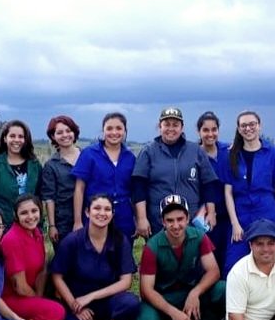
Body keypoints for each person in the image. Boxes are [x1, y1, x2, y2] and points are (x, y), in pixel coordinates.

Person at [51, 194, 141, 320]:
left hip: (108, 301)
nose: (102, 213)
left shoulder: (119, 240)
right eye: (97, 208)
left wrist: (91, 296)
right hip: (78, 304)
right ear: (87, 212)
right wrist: (74, 305)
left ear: (113, 214)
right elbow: (57, 277)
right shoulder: (72, 241)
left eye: (107, 209)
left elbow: (126, 281)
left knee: (130, 303)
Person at [135, 194, 225, 320]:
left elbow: (214, 271)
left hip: (190, 292)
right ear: (162, 222)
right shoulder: (152, 247)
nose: (176, 226)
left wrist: (195, 293)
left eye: (180, 219)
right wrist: (172, 312)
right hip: (164, 298)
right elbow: (146, 290)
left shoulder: (199, 237)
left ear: (188, 219)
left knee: (222, 289)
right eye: (170, 220)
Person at [218, 111, 275, 274]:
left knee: (268, 261)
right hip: (241, 216)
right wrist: (235, 224)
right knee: (234, 265)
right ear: (238, 128)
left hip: (267, 213)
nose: (248, 128)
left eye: (252, 124)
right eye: (244, 125)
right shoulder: (230, 155)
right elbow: (228, 193)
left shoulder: (274, 153)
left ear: (259, 126)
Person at [133, 107, 220, 237]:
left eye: (175, 125)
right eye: (166, 124)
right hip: (158, 222)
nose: (171, 129)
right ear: (159, 126)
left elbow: (209, 184)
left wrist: (211, 213)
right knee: (160, 256)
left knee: (192, 256)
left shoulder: (196, 151)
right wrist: (141, 218)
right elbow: (138, 187)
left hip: (191, 222)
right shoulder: (148, 152)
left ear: (182, 127)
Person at [0, 194, 65, 320]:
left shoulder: (37, 233)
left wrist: (39, 298)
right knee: (57, 313)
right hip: (12, 298)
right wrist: (37, 300)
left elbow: (42, 272)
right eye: (24, 213)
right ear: (15, 215)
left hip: (31, 294)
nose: (30, 217)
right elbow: (20, 287)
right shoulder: (12, 239)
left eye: (34, 211)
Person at [71, 113, 136, 237]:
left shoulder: (130, 157)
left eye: (118, 128)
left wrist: (137, 219)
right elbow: (79, 189)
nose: (114, 132)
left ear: (125, 131)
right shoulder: (89, 154)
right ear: (103, 130)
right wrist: (78, 221)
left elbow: (134, 191)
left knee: (122, 253)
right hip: (96, 216)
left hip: (124, 218)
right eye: (109, 128)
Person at [0, 120, 42, 227]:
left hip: (30, 224)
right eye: (12, 136)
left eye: (21, 136)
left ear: (25, 139)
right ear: (5, 138)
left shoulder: (35, 165)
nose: (16, 140)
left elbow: (39, 196)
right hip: (4, 226)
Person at [40, 115, 81, 247]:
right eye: (59, 132)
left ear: (74, 132)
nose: (65, 135)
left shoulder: (87, 157)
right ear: (53, 137)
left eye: (68, 131)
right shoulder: (51, 165)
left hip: (90, 218)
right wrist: (52, 225)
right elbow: (49, 198)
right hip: (63, 221)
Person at [196, 111, 230, 270]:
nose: (210, 134)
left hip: (229, 215)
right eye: (206, 130)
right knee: (209, 259)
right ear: (199, 132)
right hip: (207, 218)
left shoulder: (228, 151)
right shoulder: (194, 154)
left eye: (214, 129)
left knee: (227, 257)